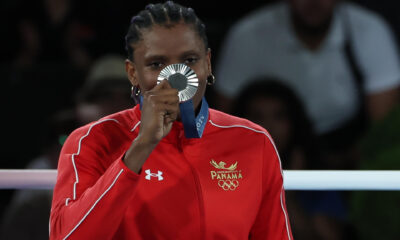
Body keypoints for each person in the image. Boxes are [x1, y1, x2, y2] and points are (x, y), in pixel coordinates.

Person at [49, 2, 293, 239]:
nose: (177, 76)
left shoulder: (252, 141)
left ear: (207, 64)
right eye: (157, 63)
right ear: (133, 73)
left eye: (189, 60)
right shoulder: (92, 141)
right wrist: (141, 146)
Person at [215, 0, 400, 169]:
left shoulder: (370, 30)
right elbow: (224, 127)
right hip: (263, 156)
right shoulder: (248, 35)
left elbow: (383, 132)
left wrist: (346, 162)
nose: (313, 2)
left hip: (347, 157)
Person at [233, 79, 348, 240]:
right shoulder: (219, 172)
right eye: (257, 116)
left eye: (279, 116)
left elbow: (328, 236)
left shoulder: (317, 177)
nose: (268, 126)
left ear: (294, 123)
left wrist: (287, 191)